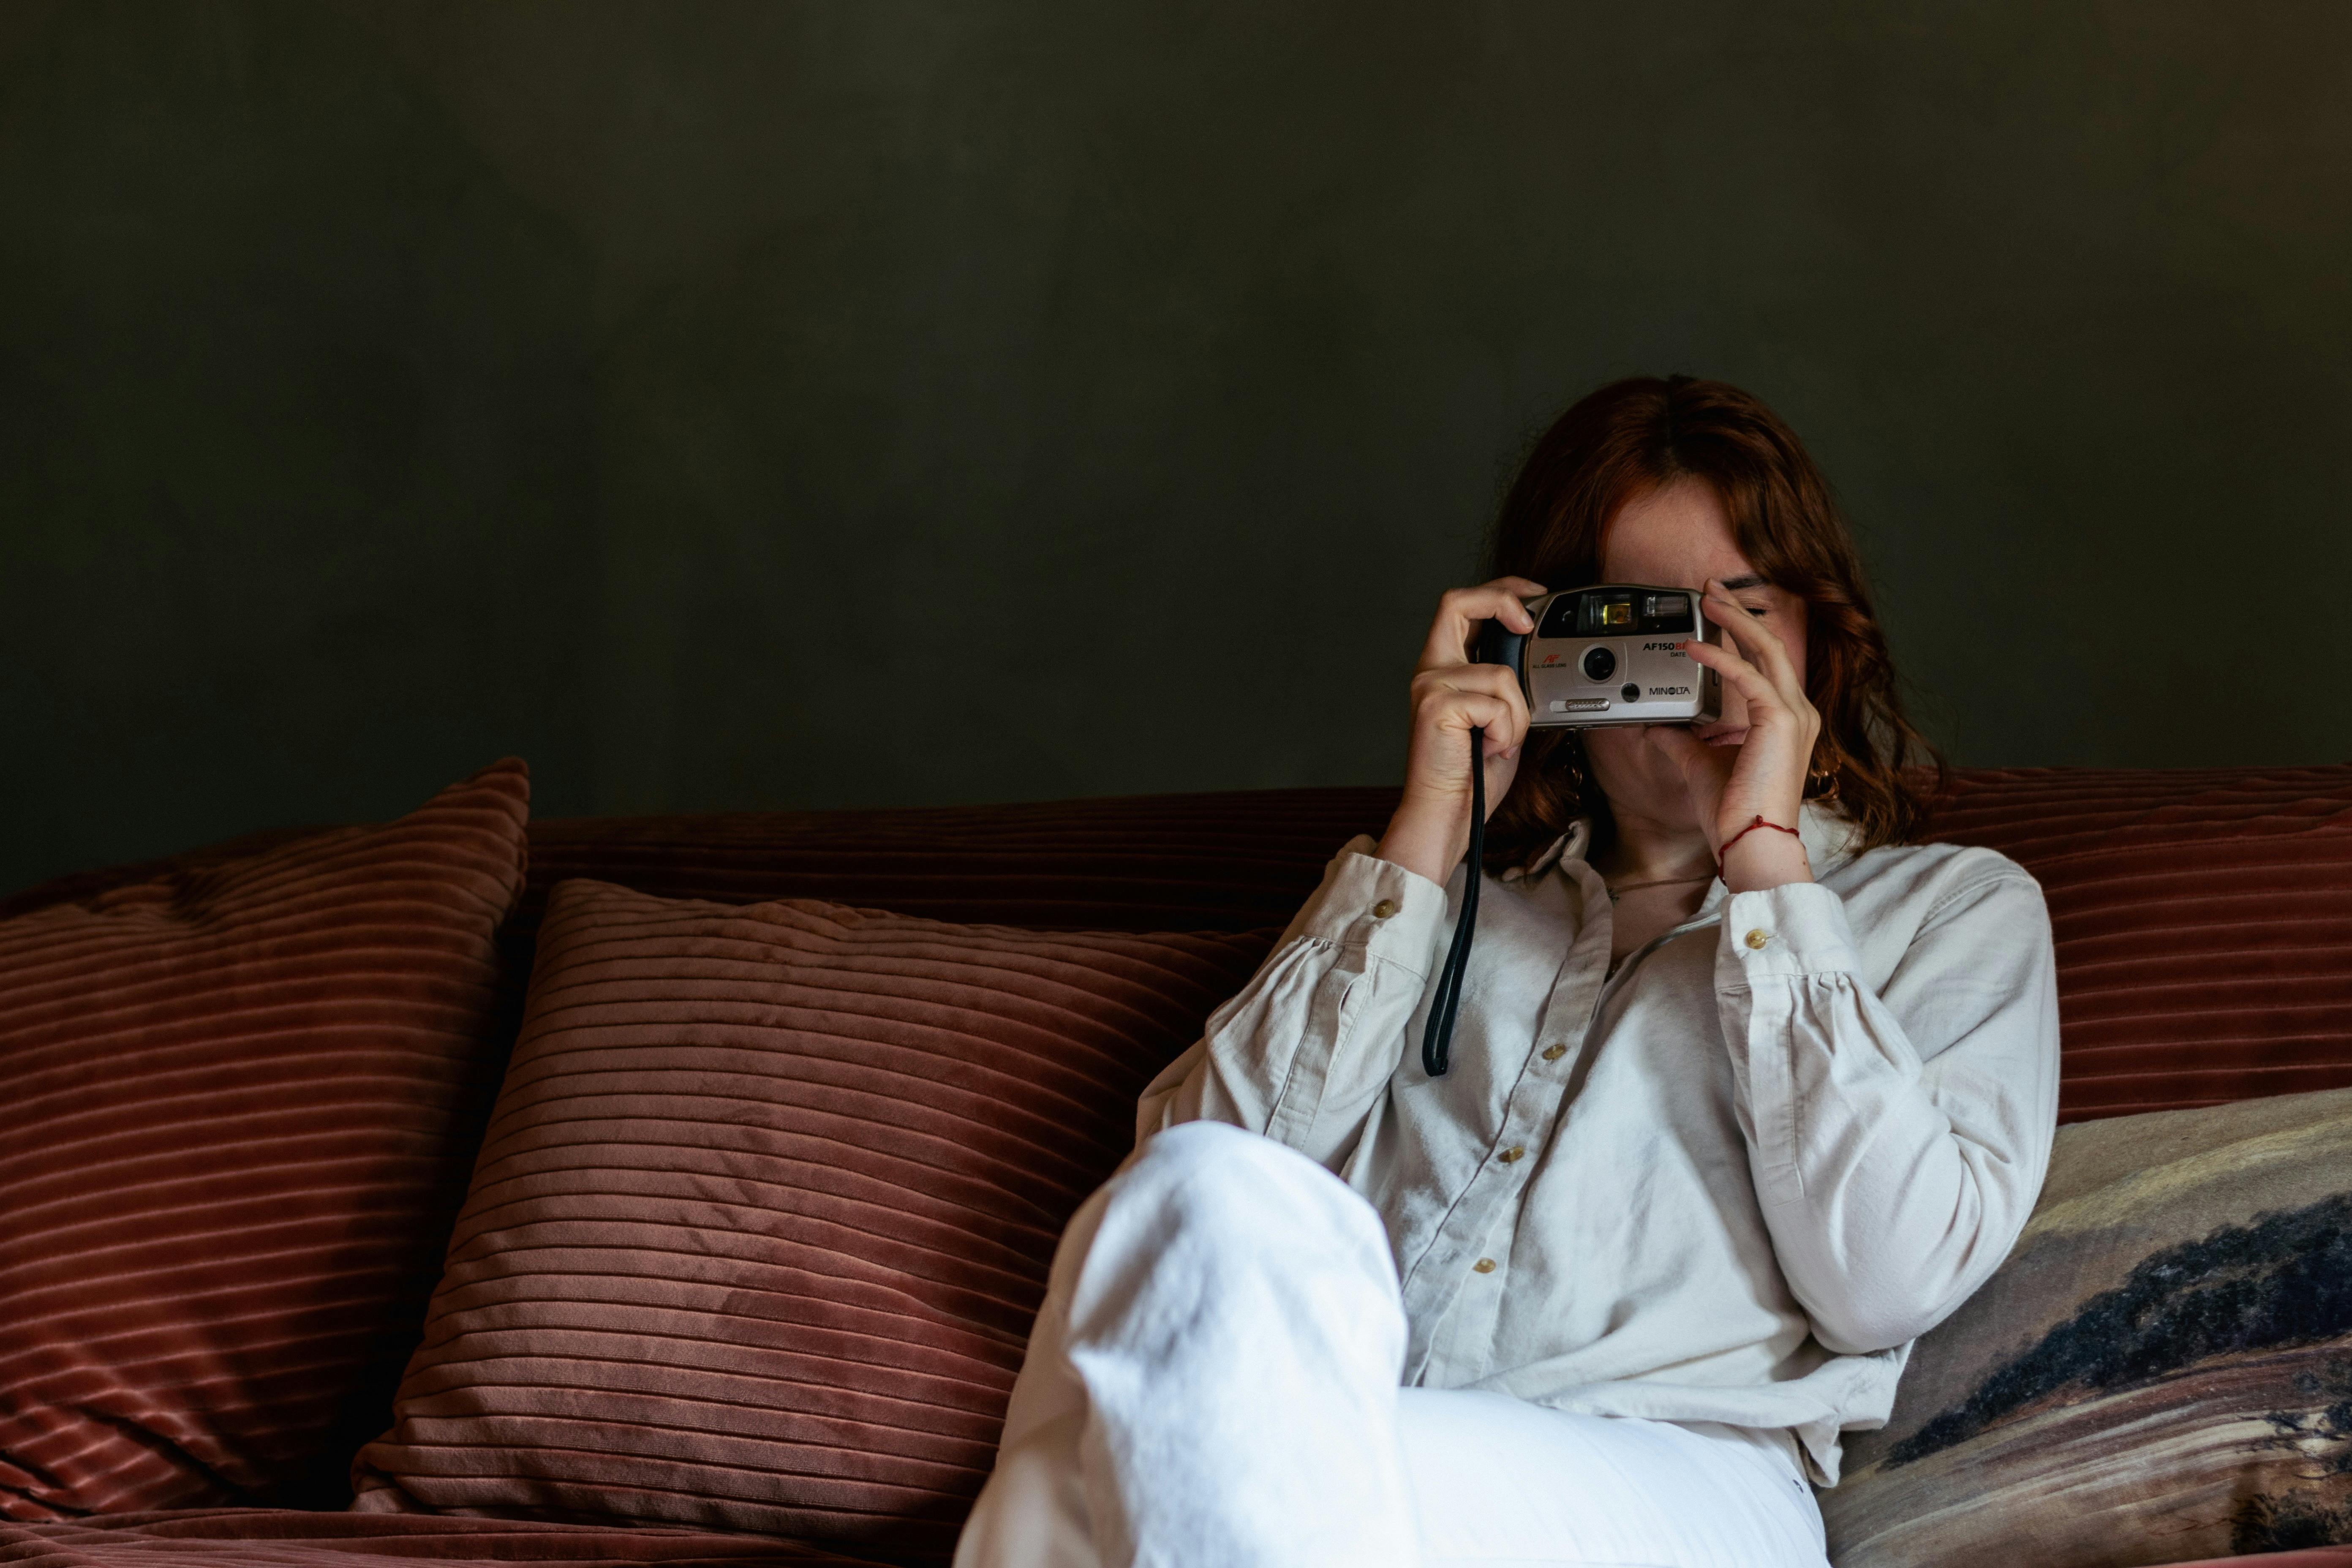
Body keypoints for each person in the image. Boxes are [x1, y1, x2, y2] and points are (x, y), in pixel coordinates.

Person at [953, 376, 2060, 1568]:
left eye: (1745, 613)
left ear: (1814, 639)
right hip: (1344, 1442)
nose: (1705, 663)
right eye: (1650, 622)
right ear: (1543, 645)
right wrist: (1429, 832)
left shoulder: (1948, 909)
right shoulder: (1434, 903)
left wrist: (1764, 862)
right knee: (1181, 1236)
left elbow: (1888, 1280)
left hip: (1673, 1476)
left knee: (1131, 1478)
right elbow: (1196, 1196)